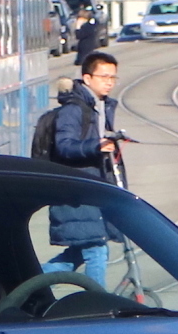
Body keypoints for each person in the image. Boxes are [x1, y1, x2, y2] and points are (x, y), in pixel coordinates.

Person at [49, 51, 123, 280]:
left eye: (112, 77)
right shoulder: (74, 108)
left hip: (92, 189)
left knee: (79, 253)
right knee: (96, 250)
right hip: (77, 190)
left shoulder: (101, 106)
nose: (109, 82)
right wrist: (96, 146)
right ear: (87, 78)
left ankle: (27, 280)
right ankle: (97, 305)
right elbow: (64, 145)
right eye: (103, 76)